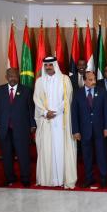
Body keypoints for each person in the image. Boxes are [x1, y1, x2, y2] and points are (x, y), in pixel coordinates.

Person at [33, 57, 77, 189]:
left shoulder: (64, 79)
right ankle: (48, 179)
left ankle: (63, 178)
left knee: (61, 148)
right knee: (47, 148)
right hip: (46, 121)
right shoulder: (39, 81)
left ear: (55, 65)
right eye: (45, 65)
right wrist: (46, 113)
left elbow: (68, 97)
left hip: (61, 119)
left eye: (50, 65)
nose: (48, 67)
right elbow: (36, 99)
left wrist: (56, 112)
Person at [0, 68, 36, 187]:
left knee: (23, 154)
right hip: (4, 129)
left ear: (19, 77)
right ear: (6, 77)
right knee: (6, 155)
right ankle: (10, 177)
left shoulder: (26, 90)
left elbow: (31, 109)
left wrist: (33, 124)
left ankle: (25, 178)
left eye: (15, 76)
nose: (13, 78)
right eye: (10, 76)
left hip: (22, 129)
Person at [71, 71, 107, 188]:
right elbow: (74, 113)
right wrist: (76, 130)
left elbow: (106, 111)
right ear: (84, 81)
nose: (93, 82)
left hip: (100, 130)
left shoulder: (102, 91)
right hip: (84, 131)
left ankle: (103, 178)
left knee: (101, 154)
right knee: (87, 156)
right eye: (90, 79)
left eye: (94, 79)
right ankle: (89, 178)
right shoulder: (78, 93)